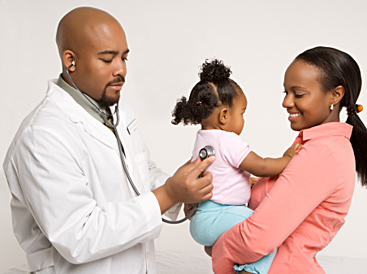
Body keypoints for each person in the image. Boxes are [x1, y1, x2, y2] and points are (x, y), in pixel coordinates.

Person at [2, 7, 214, 274]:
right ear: (71, 60)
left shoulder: (119, 114)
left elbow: (141, 176)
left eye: (124, 58)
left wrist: (186, 190)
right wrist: (169, 193)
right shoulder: (42, 136)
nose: (121, 70)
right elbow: (78, 236)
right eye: (107, 59)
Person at [211, 46, 367, 274]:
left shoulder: (323, 153)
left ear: (335, 95)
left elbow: (256, 239)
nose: (286, 102)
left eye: (298, 94)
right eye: (285, 92)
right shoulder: (315, 146)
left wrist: (217, 245)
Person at [172, 59, 301, 274]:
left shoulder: (203, 138)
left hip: (202, 219)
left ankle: (219, 249)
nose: (243, 119)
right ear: (224, 116)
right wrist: (287, 159)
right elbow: (260, 166)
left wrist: (242, 180)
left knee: (251, 232)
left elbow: (221, 172)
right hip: (218, 214)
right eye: (242, 113)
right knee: (266, 230)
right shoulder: (227, 140)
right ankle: (250, 271)